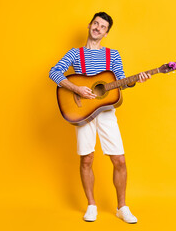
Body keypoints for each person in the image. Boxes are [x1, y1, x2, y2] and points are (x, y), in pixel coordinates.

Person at [49, 12, 150, 223]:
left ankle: (122, 207)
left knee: (119, 160)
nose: (97, 28)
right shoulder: (75, 53)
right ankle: (91, 205)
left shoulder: (113, 55)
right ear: (89, 25)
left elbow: (121, 80)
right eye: (95, 23)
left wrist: (135, 80)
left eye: (102, 26)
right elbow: (54, 72)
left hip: (106, 112)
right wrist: (76, 88)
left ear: (106, 33)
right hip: (83, 112)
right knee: (86, 159)